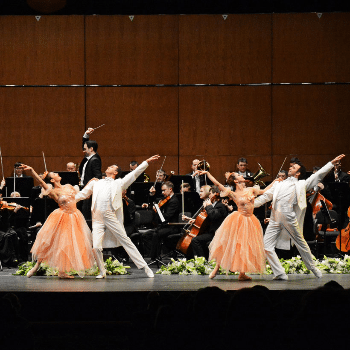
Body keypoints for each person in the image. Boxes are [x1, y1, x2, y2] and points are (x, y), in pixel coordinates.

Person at [254, 154, 345, 280]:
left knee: (300, 243)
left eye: (294, 167)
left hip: (289, 216)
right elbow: (266, 197)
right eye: (291, 166)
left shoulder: (301, 184)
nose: (290, 167)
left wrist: (331, 163)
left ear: (298, 173)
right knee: (266, 246)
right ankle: (280, 273)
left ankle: (313, 267)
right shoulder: (278, 184)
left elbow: (317, 175)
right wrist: (249, 204)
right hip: (275, 217)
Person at [75, 155, 160, 278]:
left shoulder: (119, 183)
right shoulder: (96, 183)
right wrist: (69, 200)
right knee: (96, 247)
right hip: (97, 218)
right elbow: (82, 194)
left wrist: (146, 162)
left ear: (115, 172)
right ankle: (102, 271)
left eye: (112, 167)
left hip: (110, 216)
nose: (108, 167)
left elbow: (135, 174)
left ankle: (145, 267)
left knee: (125, 240)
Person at [20, 165, 95, 278]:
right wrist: (32, 171)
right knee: (51, 242)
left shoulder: (69, 186)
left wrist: (91, 183)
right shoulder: (53, 191)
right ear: (52, 180)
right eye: (55, 174)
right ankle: (36, 266)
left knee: (71, 244)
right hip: (62, 217)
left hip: (75, 216)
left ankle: (62, 271)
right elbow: (41, 182)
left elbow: (81, 195)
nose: (58, 174)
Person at [200, 170, 266, 281]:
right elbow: (217, 184)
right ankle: (216, 268)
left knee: (244, 246)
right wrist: (208, 174)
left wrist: (277, 182)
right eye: (239, 175)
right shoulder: (233, 193)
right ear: (236, 180)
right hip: (238, 220)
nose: (242, 175)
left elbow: (265, 191)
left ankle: (242, 273)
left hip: (250, 220)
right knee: (227, 244)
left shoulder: (250, 189)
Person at [79, 128, 102, 227]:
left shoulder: (95, 160)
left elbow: (98, 177)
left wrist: (90, 190)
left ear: (91, 149)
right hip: (83, 188)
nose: (83, 150)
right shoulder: (89, 158)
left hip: (89, 192)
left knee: (86, 214)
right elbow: (85, 145)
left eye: (85, 148)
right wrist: (86, 135)